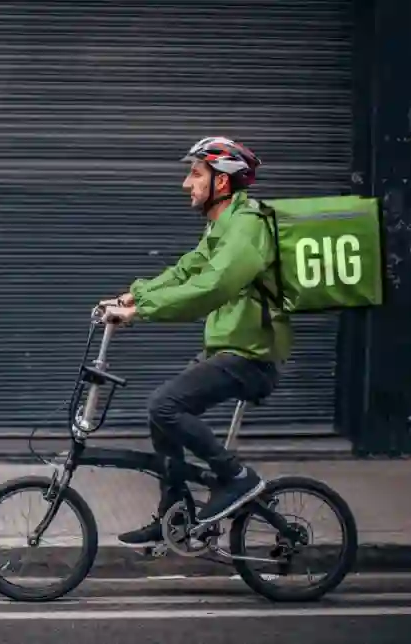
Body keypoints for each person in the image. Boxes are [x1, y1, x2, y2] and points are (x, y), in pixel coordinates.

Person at [99, 136, 292, 548]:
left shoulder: (248, 226)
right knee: (161, 412)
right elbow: (189, 270)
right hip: (229, 351)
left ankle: (236, 477)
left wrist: (142, 312)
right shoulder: (223, 225)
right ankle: (177, 514)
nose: (187, 183)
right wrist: (133, 295)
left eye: (196, 173)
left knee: (164, 405)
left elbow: (213, 286)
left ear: (221, 183)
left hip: (252, 356)